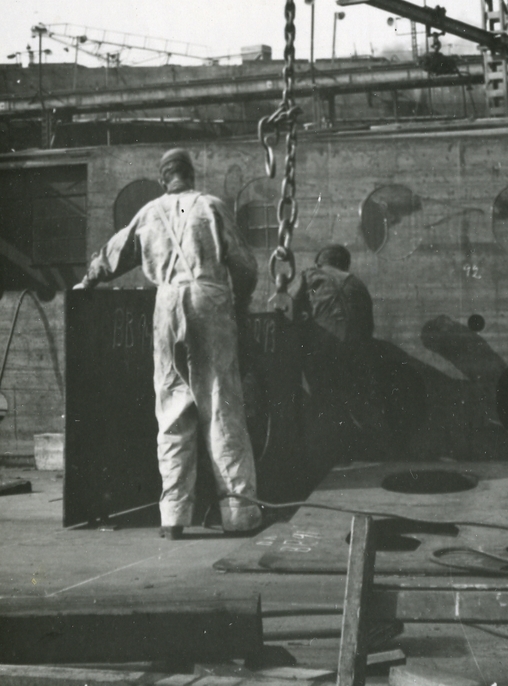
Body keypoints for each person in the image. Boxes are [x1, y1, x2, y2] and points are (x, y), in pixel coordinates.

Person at [74, 148, 262, 539]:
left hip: (167, 303)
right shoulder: (210, 205)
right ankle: (239, 515)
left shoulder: (149, 213)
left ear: (163, 179)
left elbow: (114, 254)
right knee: (221, 408)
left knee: (173, 410)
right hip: (210, 299)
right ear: (191, 175)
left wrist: (87, 281)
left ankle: (173, 517)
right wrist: (239, 304)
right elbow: (245, 265)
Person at [286, 245, 389, 460]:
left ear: (319, 263)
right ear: (345, 264)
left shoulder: (310, 276)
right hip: (358, 349)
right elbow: (369, 325)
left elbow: (288, 307)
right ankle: (378, 448)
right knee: (358, 399)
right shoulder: (357, 284)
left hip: (324, 349)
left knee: (324, 401)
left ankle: (334, 453)